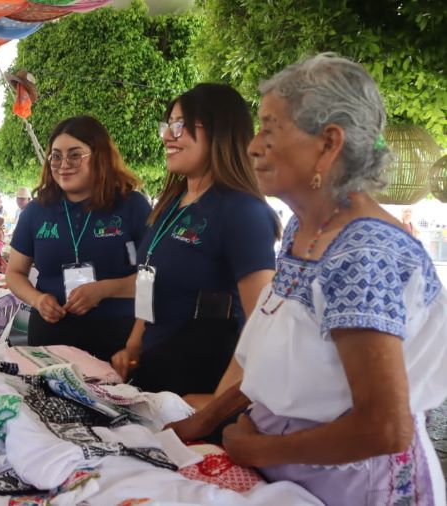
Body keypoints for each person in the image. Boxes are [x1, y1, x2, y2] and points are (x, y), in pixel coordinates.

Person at [171, 54, 447, 506]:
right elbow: (284, 355)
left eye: (269, 129)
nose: (254, 146)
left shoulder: (363, 254)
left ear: (328, 144)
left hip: (356, 486)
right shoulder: (307, 228)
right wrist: (205, 421)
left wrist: (258, 447)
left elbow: (384, 428)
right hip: (292, 472)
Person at [110, 84, 278, 401]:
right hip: (156, 371)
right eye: (167, 125)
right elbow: (151, 280)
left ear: (221, 130)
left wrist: (215, 404)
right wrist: (134, 345)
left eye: (180, 126)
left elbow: (263, 324)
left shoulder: (243, 211)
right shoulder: (172, 203)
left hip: (204, 382)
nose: (167, 137)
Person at [6, 115, 152, 362]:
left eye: (75, 155)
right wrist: (38, 299)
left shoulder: (131, 206)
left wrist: (105, 290)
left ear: (100, 157)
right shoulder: (36, 211)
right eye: (56, 155)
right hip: (50, 334)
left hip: (117, 337)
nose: (63, 164)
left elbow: (153, 277)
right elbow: (14, 273)